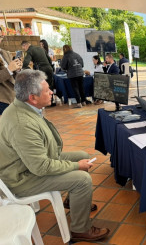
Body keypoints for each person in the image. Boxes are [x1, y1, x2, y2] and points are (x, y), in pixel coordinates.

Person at [0, 70, 110, 241]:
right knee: (82, 179)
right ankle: (80, 229)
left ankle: (72, 201)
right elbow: (41, 167)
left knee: (82, 154)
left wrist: (76, 162)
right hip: (21, 178)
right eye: (47, 90)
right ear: (32, 97)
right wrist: (76, 166)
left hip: (29, 165)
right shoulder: (22, 124)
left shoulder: (24, 106)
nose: (52, 92)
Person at [21, 40, 54, 105]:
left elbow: (25, 63)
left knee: (42, 86)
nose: (24, 50)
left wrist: (23, 67)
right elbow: (49, 59)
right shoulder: (41, 49)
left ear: (25, 45)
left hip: (41, 69)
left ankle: (44, 102)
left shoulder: (30, 50)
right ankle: (51, 101)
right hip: (49, 68)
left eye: (24, 48)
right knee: (50, 85)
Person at [0, 32, 22, 114]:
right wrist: (9, 69)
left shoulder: (6, 53)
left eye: (1, 36)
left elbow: (13, 75)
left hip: (14, 96)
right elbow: (8, 71)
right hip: (2, 100)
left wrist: (17, 68)